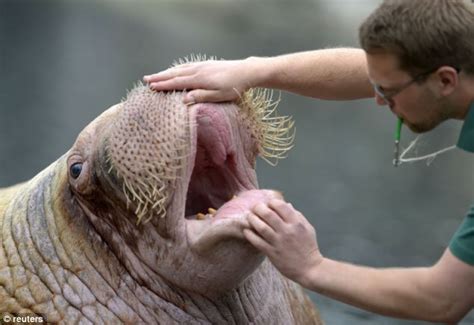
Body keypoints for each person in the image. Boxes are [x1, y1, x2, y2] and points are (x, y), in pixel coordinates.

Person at [143, 0, 474, 323]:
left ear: (445, 80)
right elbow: (370, 70)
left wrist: (311, 266)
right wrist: (250, 70)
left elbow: (442, 300)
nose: (376, 98)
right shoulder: (458, 59)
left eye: (387, 93)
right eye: (375, 86)